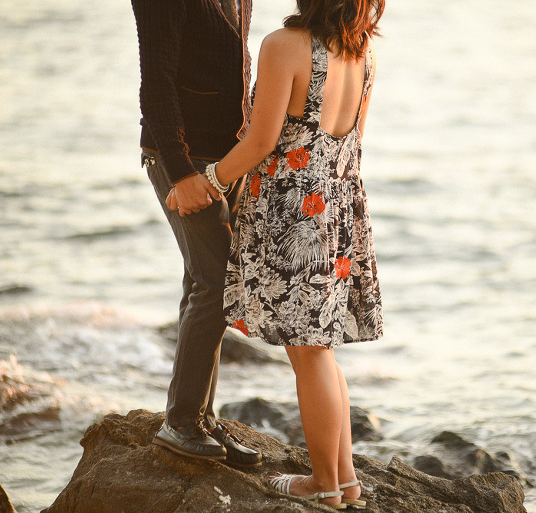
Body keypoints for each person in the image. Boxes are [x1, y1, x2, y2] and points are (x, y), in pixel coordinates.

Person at [166, 0, 385, 507]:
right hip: (337, 208)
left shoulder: (284, 46)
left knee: (308, 356)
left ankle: (324, 486)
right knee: (320, 353)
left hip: (292, 214)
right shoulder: (365, 53)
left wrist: (210, 181)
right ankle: (345, 479)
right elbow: (353, 144)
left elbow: (262, 141)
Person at [130, 0, 262, 467]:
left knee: (203, 280)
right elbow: (157, 82)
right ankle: (181, 421)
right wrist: (181, 170)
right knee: (218, 281)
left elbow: (236, 71)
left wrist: (249, 153)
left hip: (228, 162)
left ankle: (199, 417)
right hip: (181, 158)